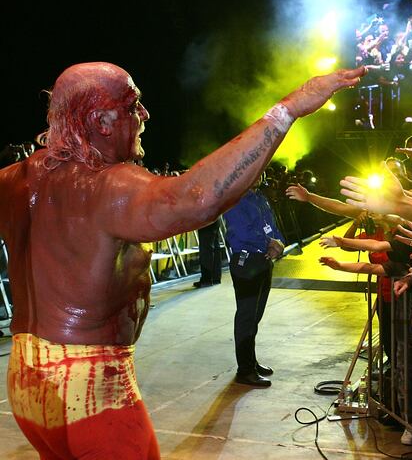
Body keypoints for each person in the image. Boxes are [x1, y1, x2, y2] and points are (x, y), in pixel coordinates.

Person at [0, 61, 364, 458]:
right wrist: (287, 110)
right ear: (101, 121)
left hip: (25, 381)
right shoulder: (106, 183)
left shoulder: (15, 179)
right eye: (132, 105)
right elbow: (195, 199)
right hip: (90, 387)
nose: (144, 115)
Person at [223, 175, 285, 387]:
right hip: (246, 262)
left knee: (255, 316)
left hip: (263, 260)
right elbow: (242, 231)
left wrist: (279, 243)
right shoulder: (235, 199)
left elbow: (271, 224)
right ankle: (245, 370)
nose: (259, 175)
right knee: (247, 317)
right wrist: (269, 243)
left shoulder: (259, 197)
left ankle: (251, 361)